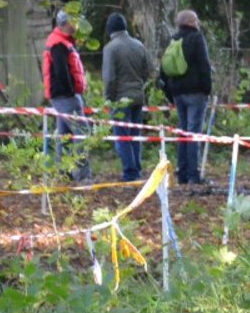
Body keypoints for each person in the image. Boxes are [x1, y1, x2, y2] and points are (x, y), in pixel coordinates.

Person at [160, 10, 212, 185]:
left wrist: (170, 94)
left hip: (178, 93)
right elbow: (204, 65)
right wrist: (207, 89)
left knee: (183, 132)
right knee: (193, 133)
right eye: (196, 20)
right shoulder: (197, 39)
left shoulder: (172, 40)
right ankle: (193, 175)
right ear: (190, 22)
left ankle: (182, 173)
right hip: (196, 93)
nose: (198, 23)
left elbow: (163, 70)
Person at [102, 13, 152, 182]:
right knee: (135, 136)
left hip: (120, 99)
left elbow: (109, 78)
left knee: (122, 137)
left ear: (110, 30)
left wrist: (108, 97)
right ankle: (137, 168)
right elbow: (146, 72)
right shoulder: (139, 45)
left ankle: (130, 172)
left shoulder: (110, 49)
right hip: (138, 96)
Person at [43, 10, 92, 183]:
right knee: (82, 132)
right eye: (74, 22)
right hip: (65, 96)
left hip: (62, 95)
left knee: (64, 136)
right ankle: (82, 175)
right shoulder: (59, 44)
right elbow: (62, 72)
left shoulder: (61, 41)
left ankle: (62, 173)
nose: (77, 26)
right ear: (66, 23)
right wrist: (72, 92)